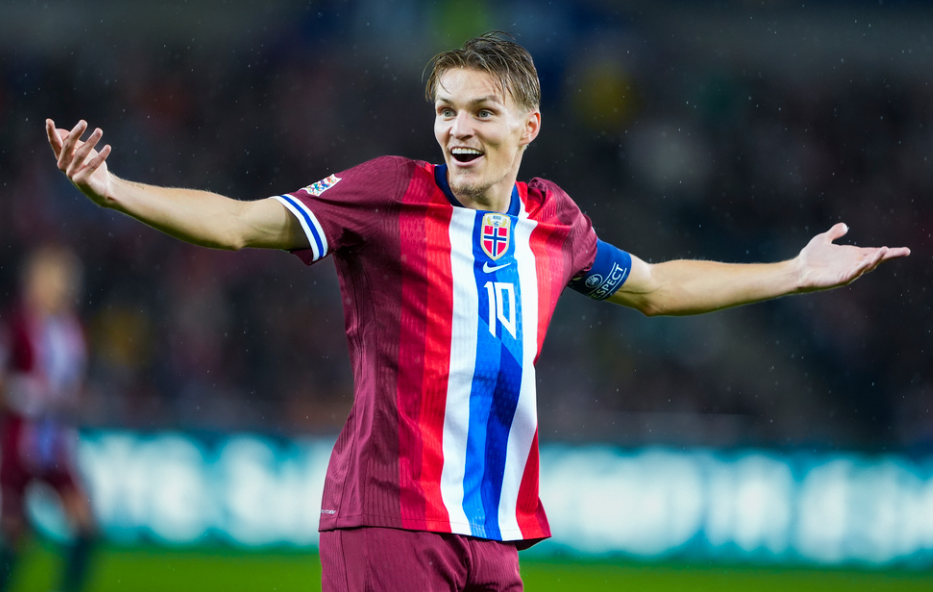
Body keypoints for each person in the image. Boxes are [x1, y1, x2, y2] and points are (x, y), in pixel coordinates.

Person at [45, 32, 908, 592]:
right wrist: (112, 188)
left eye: (480, 112)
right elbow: (240, 223)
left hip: (493, 534)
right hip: (387, 517)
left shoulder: (555, 222)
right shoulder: (384, 193)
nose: (457, 128)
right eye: (445, 110)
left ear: (527, 125)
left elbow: (653, 285)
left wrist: (791, 275)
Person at [0, 245, 97, 592]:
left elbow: (74, 384)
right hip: (18, 441)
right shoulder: (17, 325)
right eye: (54, 279)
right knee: (14, 535)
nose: (62, 287)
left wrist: (74, 401)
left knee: (85, 524)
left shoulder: (72, 330)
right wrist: (33, 396)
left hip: (56, 445)